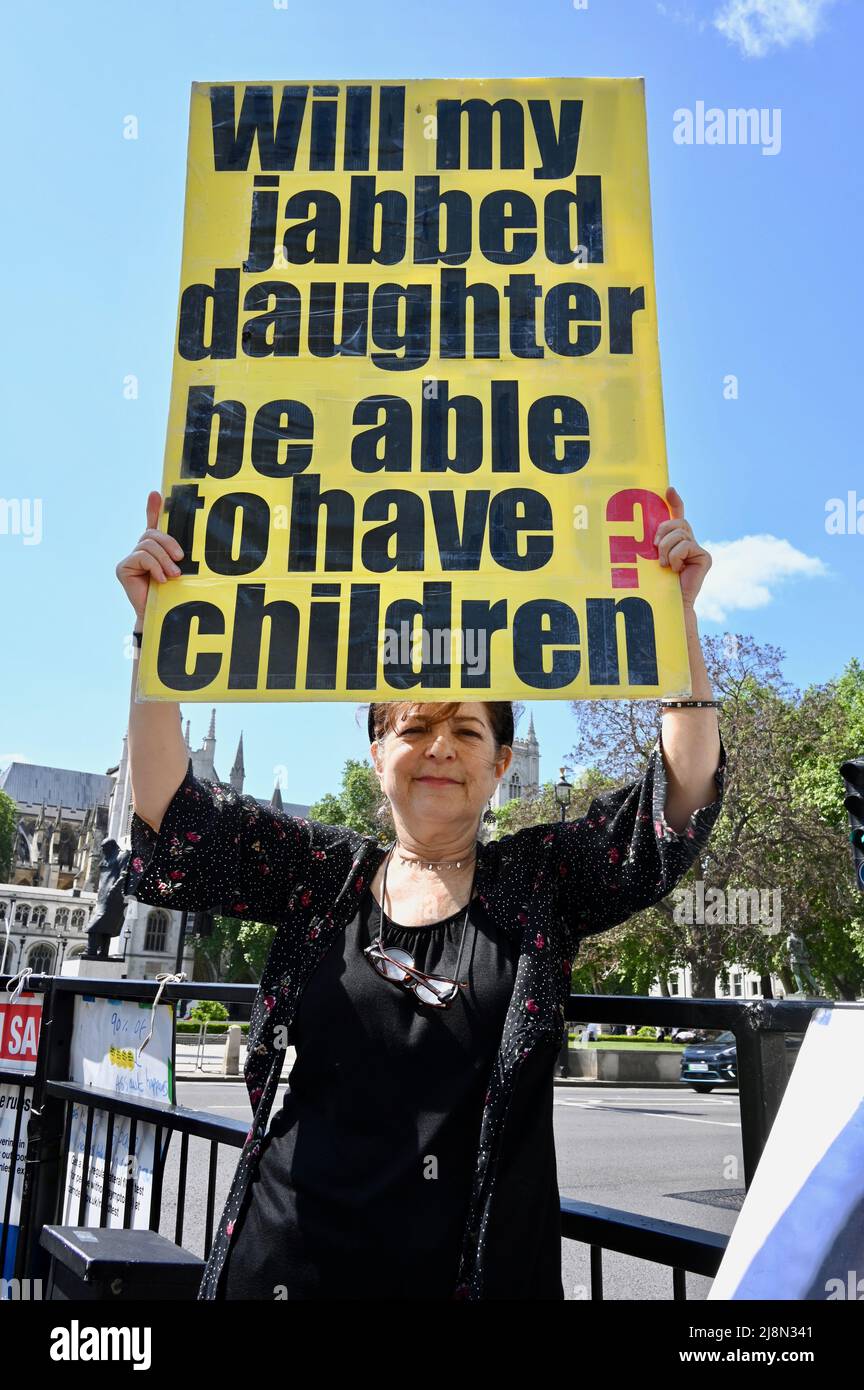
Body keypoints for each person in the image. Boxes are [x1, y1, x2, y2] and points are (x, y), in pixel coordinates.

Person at [115, 485, 727, 1301]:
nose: (439, 747)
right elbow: (170, 817)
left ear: (503, 765)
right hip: (280, 1266)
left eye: (468, 729)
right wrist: (155, 630)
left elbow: (677, 803)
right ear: (376, 753)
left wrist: (674, 615)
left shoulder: (537, 883)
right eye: (413, 727)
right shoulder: (319, 873)